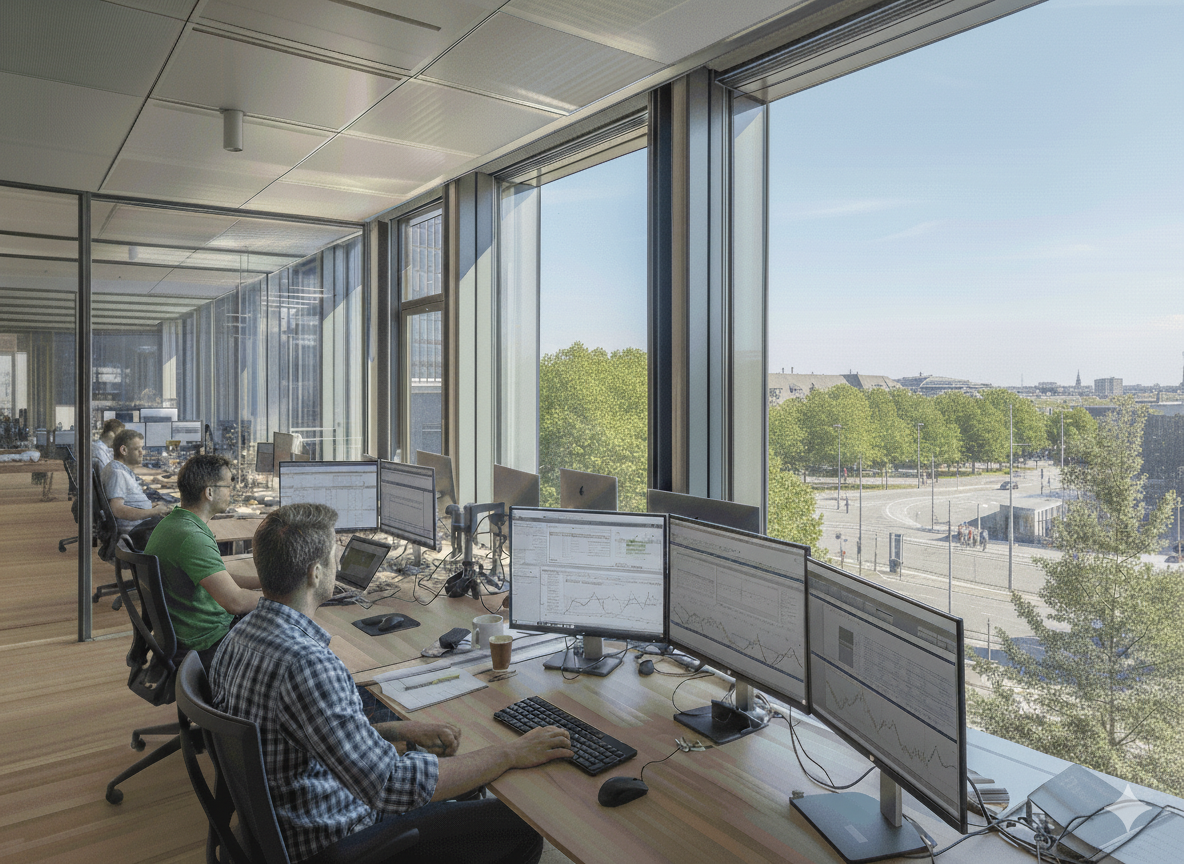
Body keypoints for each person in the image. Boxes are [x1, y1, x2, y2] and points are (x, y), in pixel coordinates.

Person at [210, 503, 571, 864]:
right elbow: (391, 786)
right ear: (314, 574)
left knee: (459, 778)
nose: (340, 561)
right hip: (335, 841)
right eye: (335, 553)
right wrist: (509, 753)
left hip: (283, 826)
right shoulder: (307, 664)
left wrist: (398, 730)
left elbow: (309, 734)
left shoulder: (238, 637)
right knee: (518, 826)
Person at [145, 454, 260, 669]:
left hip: (186, 630)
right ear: (209, 492)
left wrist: (263, 582)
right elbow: (235, 602)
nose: (231, 492)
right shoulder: (192, 537)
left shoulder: (174, 523)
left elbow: (219, 577)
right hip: (206, 642)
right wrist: (284, 599)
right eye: (228, 486)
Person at [101, 428, 171, 549]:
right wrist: (155, 511)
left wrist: (151, 505)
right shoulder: (117, 473)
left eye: (141, 448)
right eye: (137, 449)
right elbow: (117, 509)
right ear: (123, 450)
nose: (141, 452)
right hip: (137, 532)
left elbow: (127, 502)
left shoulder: (117, 469)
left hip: (140, 526)